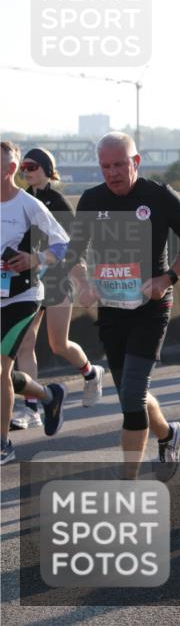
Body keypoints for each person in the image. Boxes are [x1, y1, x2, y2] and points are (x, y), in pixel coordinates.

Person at [68, 131, 180, 480]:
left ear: (136, 162)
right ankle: (170, 434)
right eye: (105, 166)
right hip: (112, 308)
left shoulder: (158, 196)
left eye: (119, 164)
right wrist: (82, 283)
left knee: (131, 398)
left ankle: (126, 485)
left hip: (151, 307)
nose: (112, 173)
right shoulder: (91, 199)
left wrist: (167, 279)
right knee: (133, 393)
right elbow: (74, 251)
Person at [13, 148, 104, 431]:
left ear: (45, 168)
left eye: (31, 167)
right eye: (23, 168)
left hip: (56, 280)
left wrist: (82, 282)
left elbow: (72, 246)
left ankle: (91, 373)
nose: (26, 172)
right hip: (30, 282)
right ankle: (32, 409)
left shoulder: (58, 202)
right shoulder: (23, 199)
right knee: (26, 343)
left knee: (58, 344)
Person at [1, 141, 71, 464]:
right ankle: (48, 395)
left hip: (23, 297)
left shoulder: (29, 206)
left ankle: (3, 444)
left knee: (1, 366)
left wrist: (34, 259)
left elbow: (62, 244)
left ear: (9, 170)